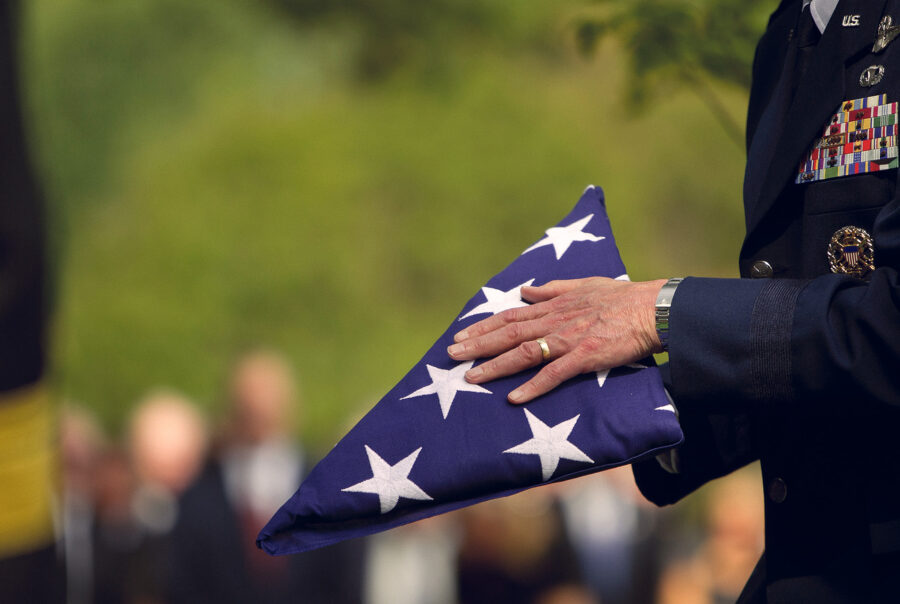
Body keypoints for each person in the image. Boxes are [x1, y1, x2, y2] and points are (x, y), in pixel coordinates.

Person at [446, 0, 900, 600]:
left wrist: (661, 311)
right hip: (815, 556)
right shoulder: (788, 34)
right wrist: (619, 405)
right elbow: (797, 346)